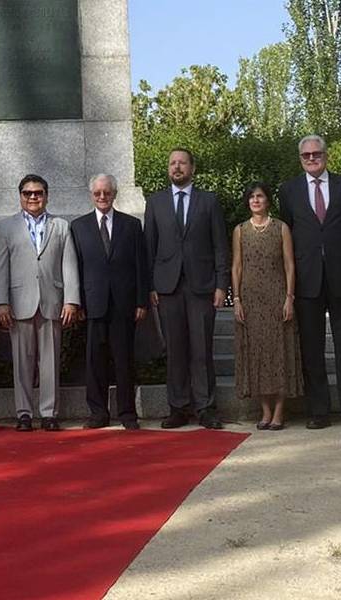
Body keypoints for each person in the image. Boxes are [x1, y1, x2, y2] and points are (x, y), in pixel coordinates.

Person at [278, 135, 341, 430]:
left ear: (326, 155)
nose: (312, 159)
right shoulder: (288, 190)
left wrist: (337, 254)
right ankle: (319, 411)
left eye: (317, 154)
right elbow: (287, 234)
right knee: (312, 348)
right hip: (307, 280)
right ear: (300, 159)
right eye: (306, 155)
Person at [144, 148, 230, 429]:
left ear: (192, 167)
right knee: (175, 350)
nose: (176, 167)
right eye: (172, 163)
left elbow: (220, 246)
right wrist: (151, 286)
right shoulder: (155, 203)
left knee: (202, 349)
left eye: (182, 163)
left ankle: (206, 408)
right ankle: (178, 408)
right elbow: (149, 248)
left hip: (202, 286)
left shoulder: (209, 201)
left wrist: (221, 285)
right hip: (167, 288)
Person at [0, 174, 81, 432]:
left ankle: (49, 413)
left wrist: (71, 301)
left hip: (52, 302)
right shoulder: (7, 228)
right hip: (19, 304)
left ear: (46, 196)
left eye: (38, 193)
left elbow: (69, 265)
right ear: (20, 196)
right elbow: (0, 269)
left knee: (50, 362)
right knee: (22, 361)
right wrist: (1, 302)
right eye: (28, 193)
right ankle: (24, 414)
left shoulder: (61, 226)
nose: (33, 197)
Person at [70, 174, 149, 430]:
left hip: (124, 305)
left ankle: (127, 413)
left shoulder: (132, 225)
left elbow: (141, 266)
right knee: (94, 362)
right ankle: (98, 413)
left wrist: (141, 302)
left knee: (124, 360)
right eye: (97, 193)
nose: (102, 197)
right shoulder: (79, 227)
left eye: (107, 192)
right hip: (92, 305)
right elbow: (76, 268)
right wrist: (77, 303)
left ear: (114, 194)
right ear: (91, 195)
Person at [231, 183, 302, 430]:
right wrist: (237, 299)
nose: (255, 200)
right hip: (250, 300)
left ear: (268, 200)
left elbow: (290, 264)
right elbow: (236, 266)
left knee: (279, 352)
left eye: (260, 196)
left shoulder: (281, 228)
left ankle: (280, 412)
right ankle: (265, 411)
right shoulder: (240, 230)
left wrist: (289, 297)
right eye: (251, 197)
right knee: (257, 353)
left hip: (277, 296)